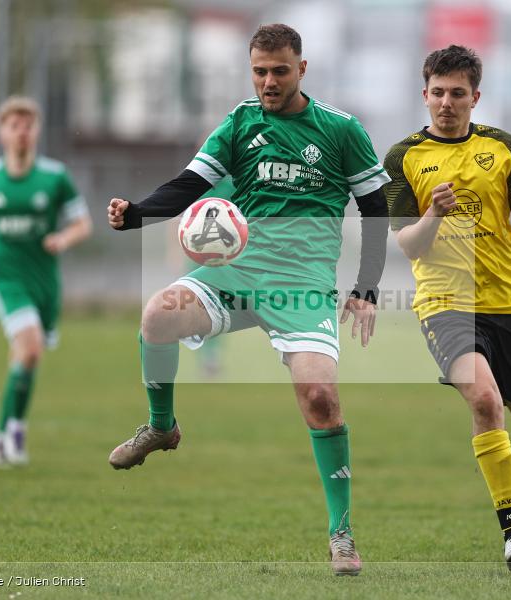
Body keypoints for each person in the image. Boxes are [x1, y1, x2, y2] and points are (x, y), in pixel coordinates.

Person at [105, 24, 389, 576]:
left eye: (279, 70)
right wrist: (137, 214)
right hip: (236, 274)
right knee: (157, 316)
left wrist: (368, 286)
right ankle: (161, 427)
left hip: (302, 286)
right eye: (259, 71)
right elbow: (189, 184)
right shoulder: (239, 123)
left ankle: (342, 533)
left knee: (321, 399)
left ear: (301, 69)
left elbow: (376, 208)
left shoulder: (341, 130)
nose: (268, 81)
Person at [383, 45, 511, 571]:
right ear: (424, 95)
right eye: (437, 93)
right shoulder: (403, 158)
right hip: (445, 304)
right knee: (485, 403)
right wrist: (435, 215)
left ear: (474, 97)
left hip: (510, 301)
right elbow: (409, 244)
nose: (445, 102)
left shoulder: (501, 147)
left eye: (456, 93)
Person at [0, 96, 92, 467]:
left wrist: (62, 239)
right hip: (6, 280)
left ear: (36, 132)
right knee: (30, 349)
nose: (21, 132)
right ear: (1, 132)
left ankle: (1, 433)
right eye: (14, 125)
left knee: (26, 357)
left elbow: (83, 223)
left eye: (28, 125)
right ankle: (13, 433)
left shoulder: (55, 177)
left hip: (45, 284)